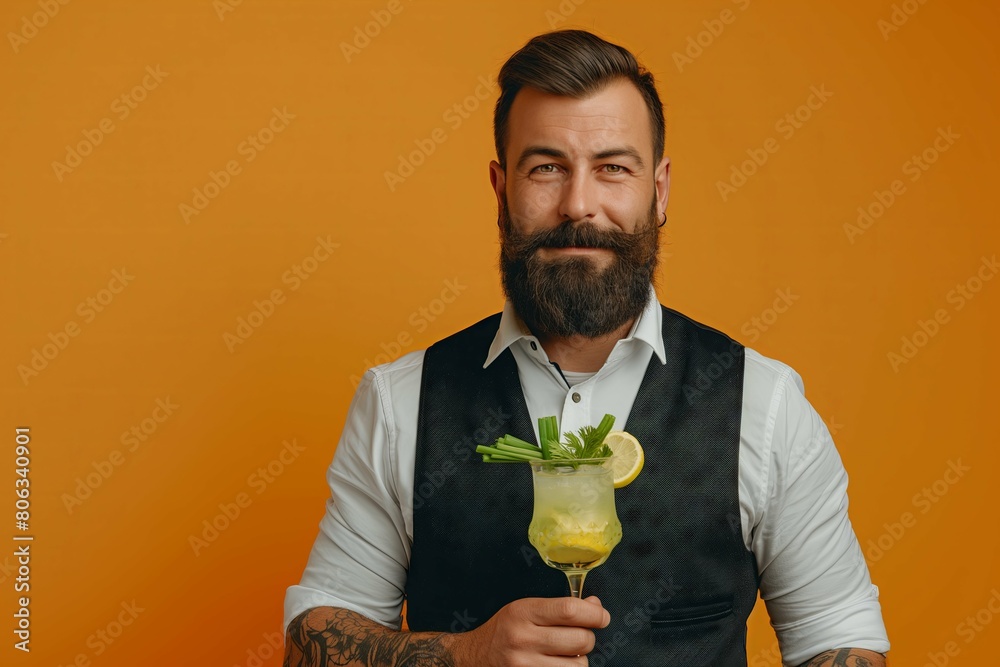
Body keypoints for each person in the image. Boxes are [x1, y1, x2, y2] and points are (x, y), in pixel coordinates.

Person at [283, 29, 890, 667]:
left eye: (613, 169)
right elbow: (309, 646)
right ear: (500, 191)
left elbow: (839, 639)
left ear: (658, 192)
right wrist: (459, 656)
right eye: (546, 167)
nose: (579, 204)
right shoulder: (399, 401)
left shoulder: (764, 406)